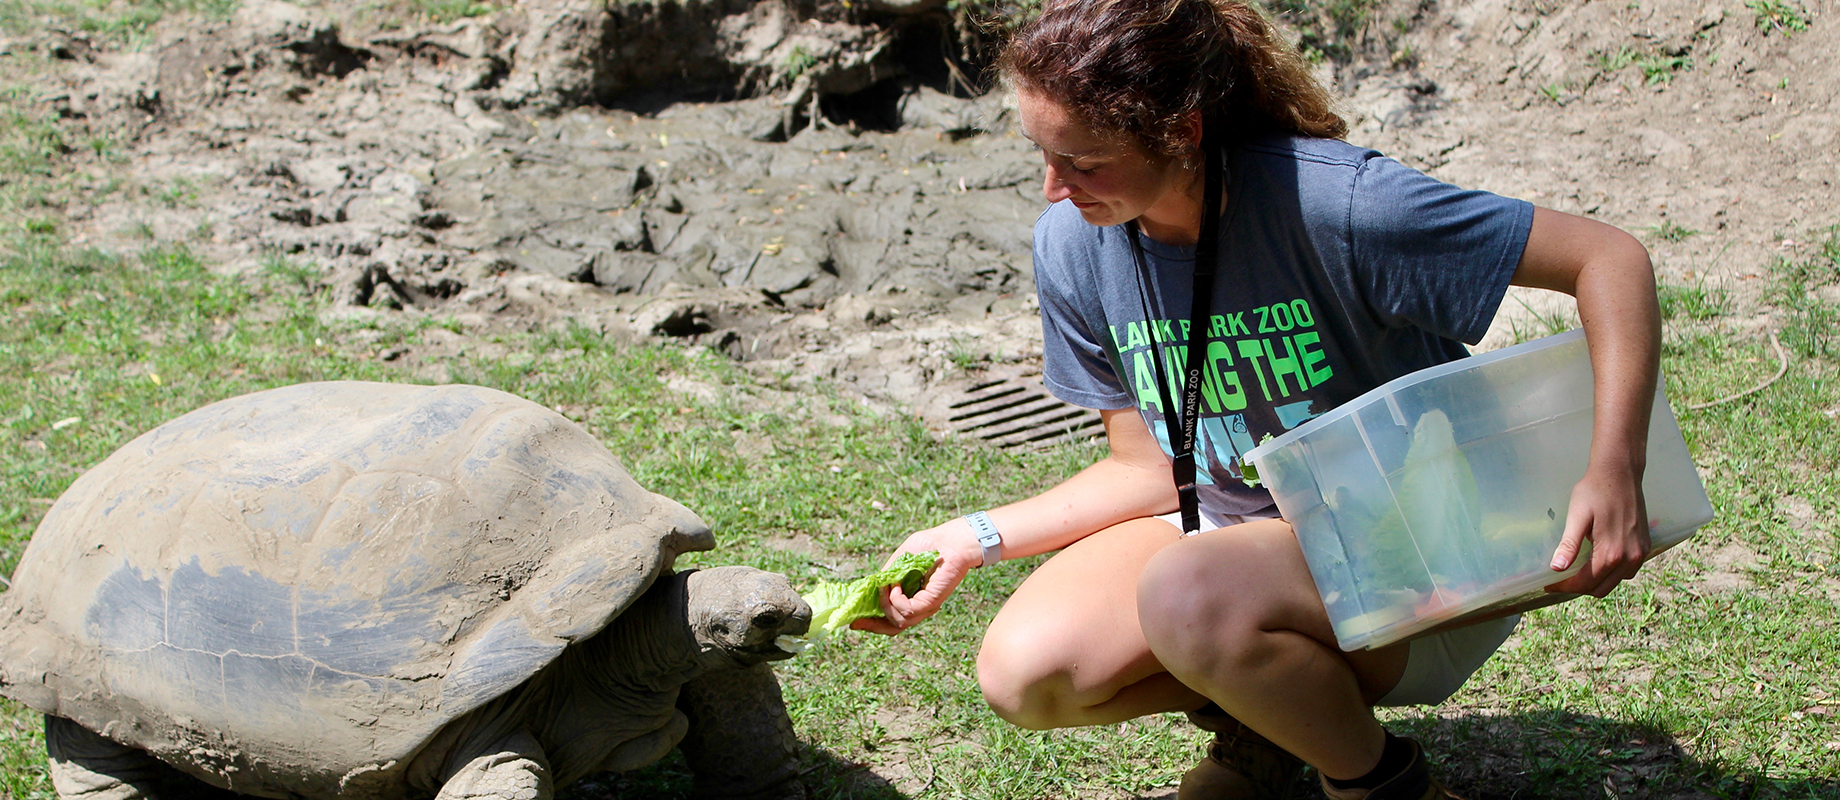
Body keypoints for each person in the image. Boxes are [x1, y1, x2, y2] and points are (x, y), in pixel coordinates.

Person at [853, 0, 1662, 797]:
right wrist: (971, 536)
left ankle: (1380, 784)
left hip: (1423, 550)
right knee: (1026, 674)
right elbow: (1144, 470)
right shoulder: (1075, 241)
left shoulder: (1339, 205)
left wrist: (1614, 466)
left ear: (1184, 131)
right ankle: (1272, 719)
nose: (1053, 188)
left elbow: (1608, 259)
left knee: (1188, 591)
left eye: (1085, 162)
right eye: (1043, 152)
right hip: (1231, 546)